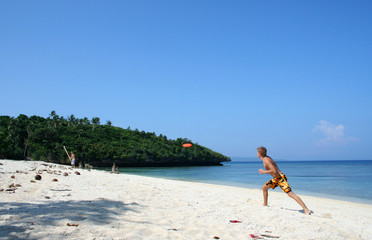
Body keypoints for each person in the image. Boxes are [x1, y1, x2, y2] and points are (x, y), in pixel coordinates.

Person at [257, 146, 312, 215]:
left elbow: (274, 171)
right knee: (264, 187)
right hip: (276, 179)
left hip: (281, 179)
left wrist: (263, 172)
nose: (256, 154)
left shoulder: (266, 160)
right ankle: (265, 204)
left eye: (257, 152)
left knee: (291, 194)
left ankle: (306, 209)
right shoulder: (266, 158)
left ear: (260, 153)